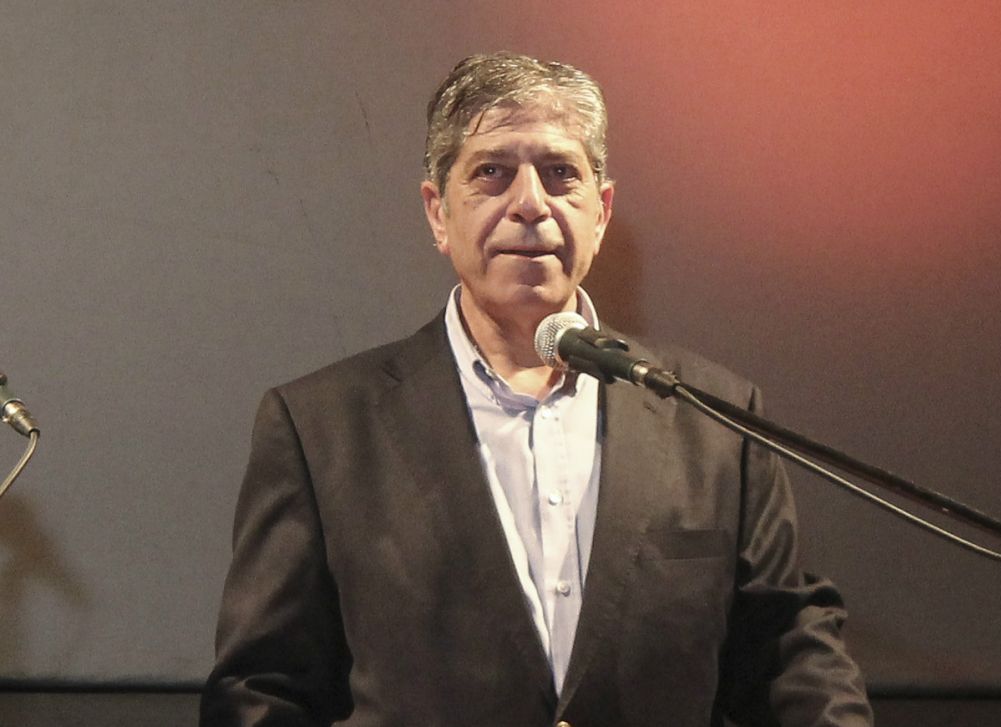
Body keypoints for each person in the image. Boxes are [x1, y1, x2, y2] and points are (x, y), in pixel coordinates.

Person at [200, 52, 873, 726]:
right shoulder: (322, 429)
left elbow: (791, 655)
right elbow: (260, 690)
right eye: (492, 172)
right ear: (438, 213)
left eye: (560, 173)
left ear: (601, 212)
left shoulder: (713, 419)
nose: (530, 203)